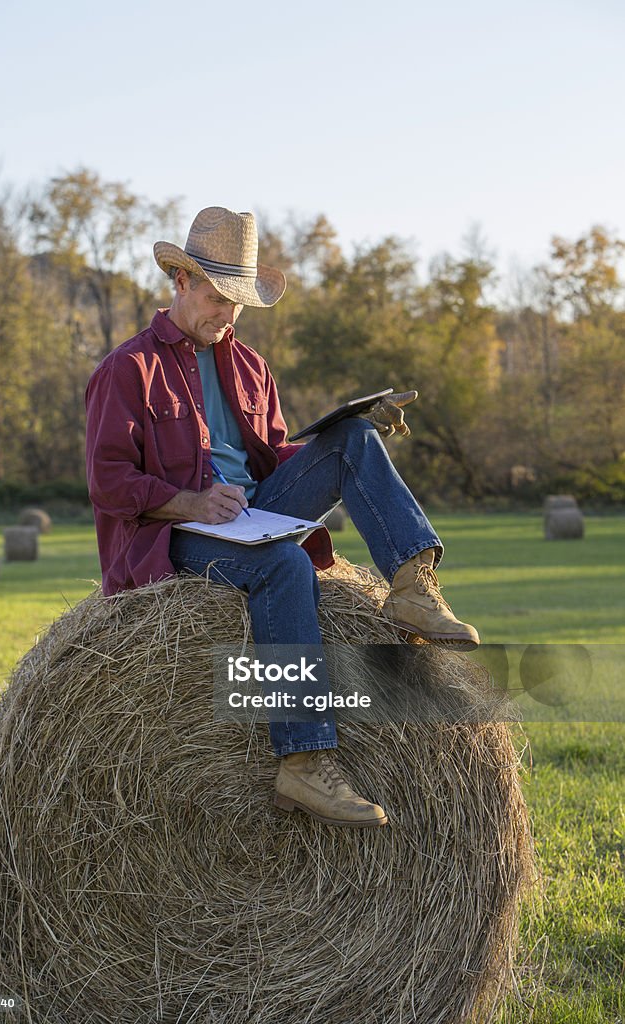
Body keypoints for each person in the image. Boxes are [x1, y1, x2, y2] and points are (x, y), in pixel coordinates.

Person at [85, 206, 479, 830]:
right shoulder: (128, 370)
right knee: (285, 566)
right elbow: (108, 483)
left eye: (238, 304)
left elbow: (273, 457)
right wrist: (192, 502)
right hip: (172, 535)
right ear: (181, 283)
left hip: (250, 512)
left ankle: (412, 583)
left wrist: (345, 440)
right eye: (217, 298)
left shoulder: (249, 366)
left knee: (352, 436)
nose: (227, 315)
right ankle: (303, 759)